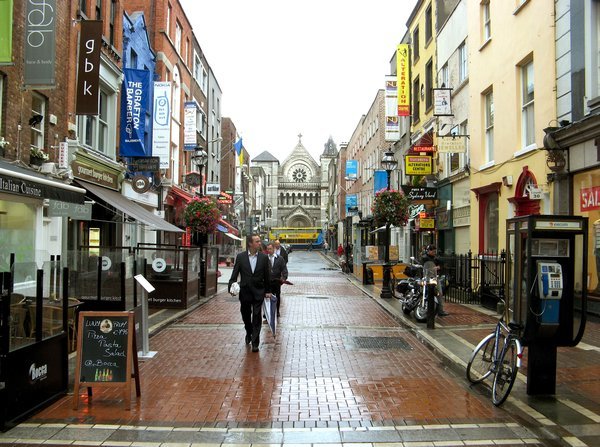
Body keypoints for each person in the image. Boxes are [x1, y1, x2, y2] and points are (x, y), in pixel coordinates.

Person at [228, 234, 272, 352]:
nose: (259, 243)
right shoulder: (241, 257)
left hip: (258, 291)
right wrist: (231, 287)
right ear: (250, 244)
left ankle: (255, 341)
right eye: (257, 241)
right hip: (245, 291)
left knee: (257, 316)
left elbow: (267, 277)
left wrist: (268, 291)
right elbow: (234, 274)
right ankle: (248, 331)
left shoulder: (263, 258)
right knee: (245, 315)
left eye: (259, 241)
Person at [420, 244, 449, 316]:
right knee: (423, 292)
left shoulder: (436, 258)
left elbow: (443, 264)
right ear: (428, 251)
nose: (434, 253)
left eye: (434, 251)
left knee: (439, 293)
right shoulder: (424, 258)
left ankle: (440, 310)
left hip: (435, 278)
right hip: (426, 277)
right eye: (432, 251)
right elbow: (423, 265)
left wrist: (439, 267)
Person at [266, 242, 288, 317]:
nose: (269, 250)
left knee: (277, 297)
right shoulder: (265, 259)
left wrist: (283, 278)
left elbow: (284, 269)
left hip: (276, 281)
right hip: (267, 282)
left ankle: (277, 311)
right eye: (268, 249)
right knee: (267, 298)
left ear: (274, 249)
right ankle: (267, 313)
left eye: (270, 249)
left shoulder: (280, 259)